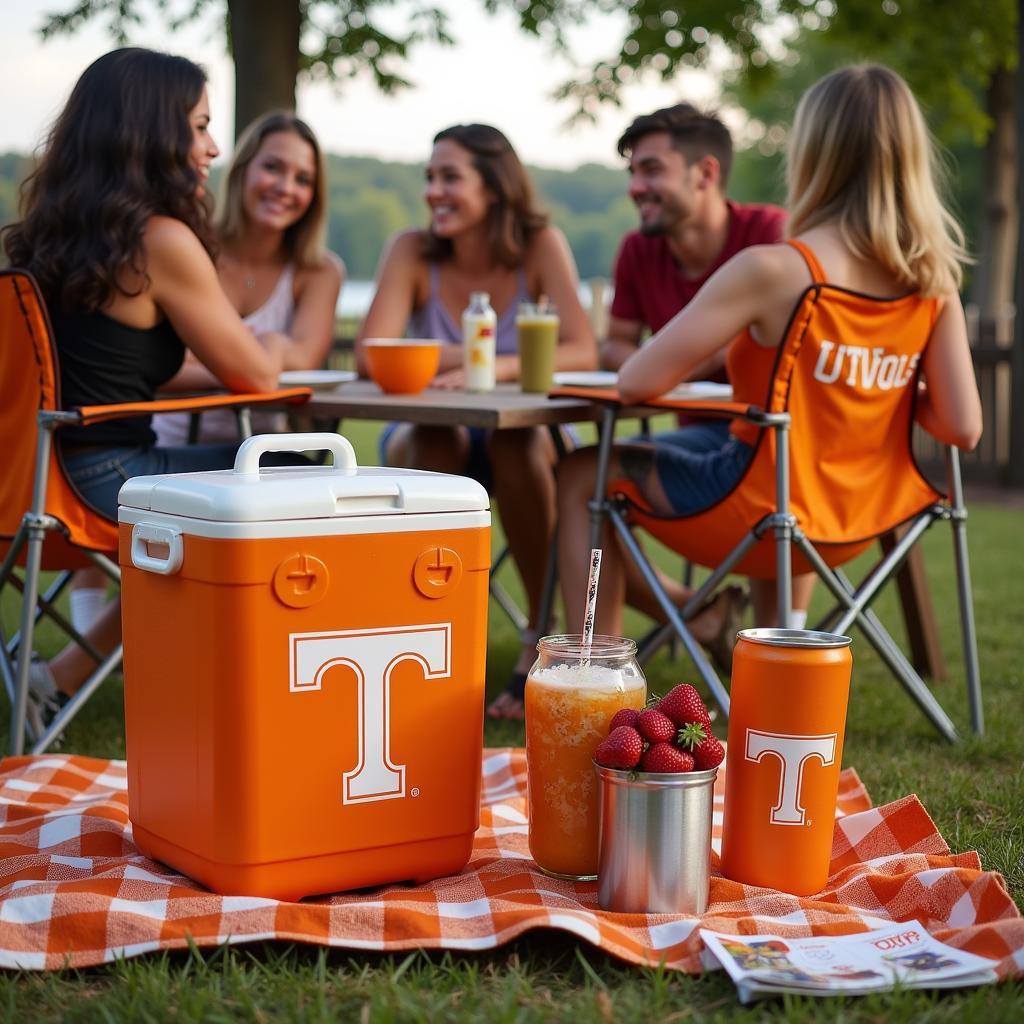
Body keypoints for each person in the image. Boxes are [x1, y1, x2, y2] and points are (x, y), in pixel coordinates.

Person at [556, 64, 982, 641]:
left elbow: (634, 383)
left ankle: (593, 671)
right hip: (859, 516)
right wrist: (873, 385)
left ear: (812, 153)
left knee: (583, 471)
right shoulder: (932, 281)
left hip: (754, 511)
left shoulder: (773, 268)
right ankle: (783, 646)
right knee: (775, 463)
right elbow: (962, 426)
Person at [2, 47, 293, 730]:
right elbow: (258, 376)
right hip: (105, 481)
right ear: (153, 131)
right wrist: (274, 346)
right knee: (292, 480)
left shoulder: (51, 235)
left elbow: (111, 371)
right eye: (199, 126)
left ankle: (58, 673)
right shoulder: (158, 238)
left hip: (30, 478)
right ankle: (268, 693)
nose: (214, 147)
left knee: (252, 491)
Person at [354, 123, 597, 720]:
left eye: (450, 177)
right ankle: (433, 633)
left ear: (494, 187)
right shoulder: (412, 250)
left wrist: (492, 364)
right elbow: (371, 352)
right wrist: (475, 356)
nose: (434, 191)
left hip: (526, 434)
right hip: (436, 432)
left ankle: (539, 642)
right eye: (429, 178)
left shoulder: (540, 246)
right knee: (433, 437)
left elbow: (582, 351)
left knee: (517, 446)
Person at [155, 109, 344, 444]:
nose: (286, 188)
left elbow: (306, 361)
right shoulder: (187, 247)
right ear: (243, 171)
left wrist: (260, 352)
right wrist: (262, 361)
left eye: (303, 179)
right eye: (273, 168)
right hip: (170, 444)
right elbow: (160, 370)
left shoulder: (319, 270)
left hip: (261, 456)